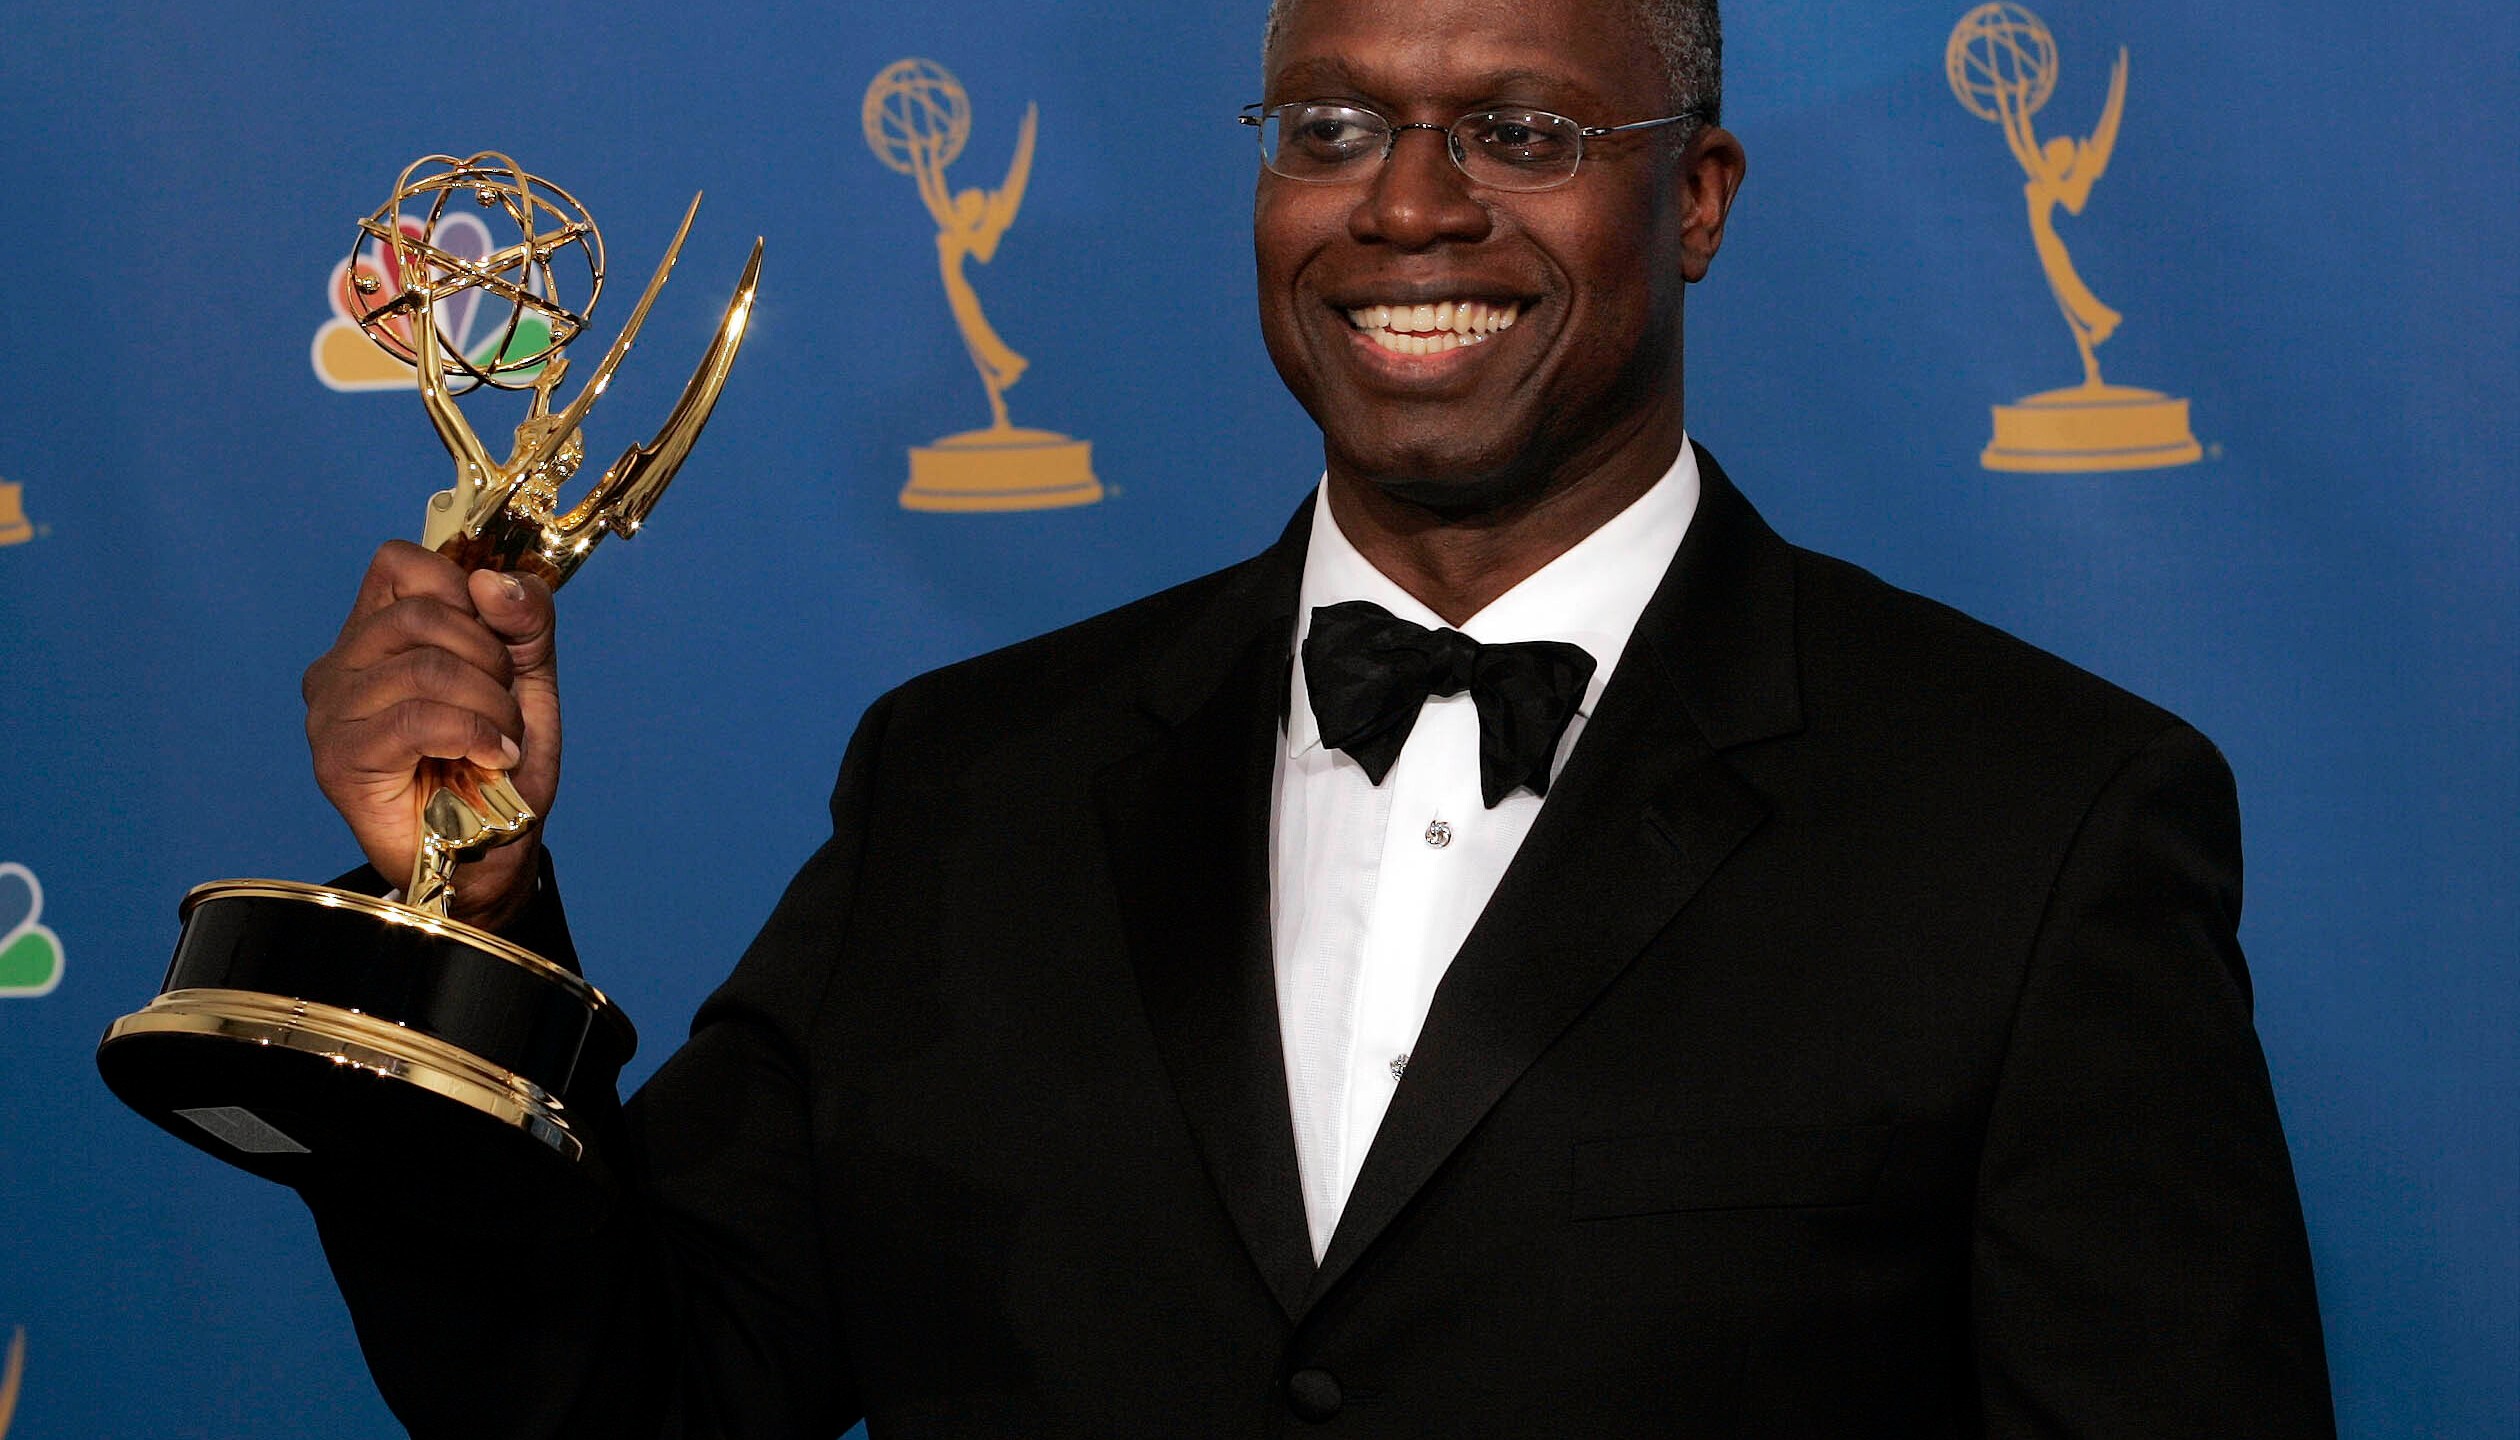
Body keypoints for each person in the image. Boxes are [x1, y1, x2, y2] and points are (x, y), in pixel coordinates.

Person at [296, 0, 2335, 1433]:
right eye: (1332, 128)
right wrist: (459, 908)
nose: (1410, 206)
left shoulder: (2038, 822)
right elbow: (632, 1391)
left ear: (1697, 196)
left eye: (1523, 130)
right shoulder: (966, 785)